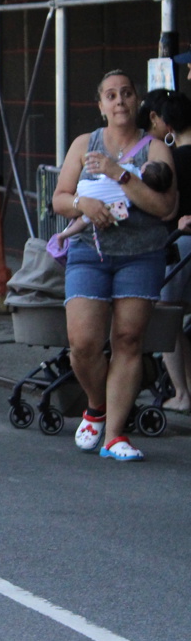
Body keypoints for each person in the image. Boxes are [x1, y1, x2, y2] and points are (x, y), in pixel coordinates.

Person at [52, 69, 177, 461]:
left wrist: (119, 173)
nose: (119, 100)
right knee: (82, 344)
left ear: (137, 100)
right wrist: (83, 204)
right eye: (111, 95)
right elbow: (59, 198)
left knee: (128, 340)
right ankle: (96, 406)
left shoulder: (155, 148)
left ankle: (115, 436)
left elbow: (166, 207)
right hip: (90, 251)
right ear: (101, 105)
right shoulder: (83, 143)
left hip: (141, 254)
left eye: (126, 93)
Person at [142, 90, 191, 409]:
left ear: (167, 125)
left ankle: (182, 393)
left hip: (179, 242)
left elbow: (164, 209)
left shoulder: (173, 161)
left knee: (165, 319)